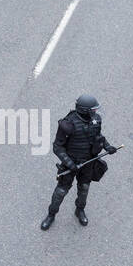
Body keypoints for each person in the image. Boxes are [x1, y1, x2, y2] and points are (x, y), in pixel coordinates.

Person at [41, 95, 117, 230]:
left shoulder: (96, 120)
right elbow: (57, 147)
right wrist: (69, 164)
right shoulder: (68, 124)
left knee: (84, 189)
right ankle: (51, 215)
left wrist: (107, 146)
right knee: (61, 192)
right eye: (93, 110)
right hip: (71, 164)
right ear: (85, 110)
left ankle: (79, 210)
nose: (95, 112)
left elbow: (99, 136)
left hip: (87, 163)